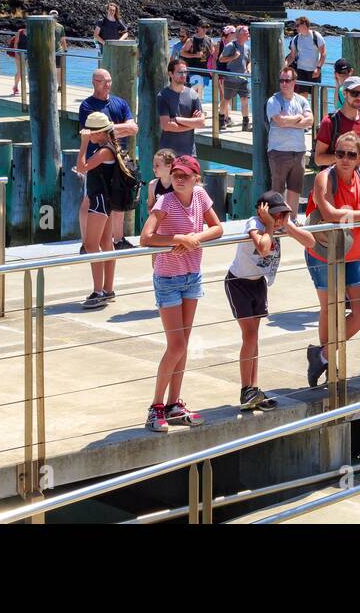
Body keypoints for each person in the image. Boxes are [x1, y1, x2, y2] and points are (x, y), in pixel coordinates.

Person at [140, 154, 222, 433]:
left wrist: (195, 238)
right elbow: (146, 238)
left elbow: (218, 227)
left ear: (196, 178)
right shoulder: (165, 201)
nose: (179, 178)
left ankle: (174, 403)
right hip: (167, 278)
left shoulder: (200, 196)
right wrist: (178, 238)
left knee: (184, 344)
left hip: (192, 276)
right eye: (176, 173)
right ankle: (156, 406)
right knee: (175, 345)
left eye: (185, 175)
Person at [303, 132, 360, 387]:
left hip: (357, 252)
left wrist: (351, 214)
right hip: (324, 252)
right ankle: (331, 370)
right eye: (340, 154)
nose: (345, 160)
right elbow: (328, 212)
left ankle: (323, 355)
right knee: (331, 308)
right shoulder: (324, 178)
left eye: (351, 154)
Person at [227, 192, 315, 410]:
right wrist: (268, 224)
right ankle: (246, 390)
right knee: (249, 335)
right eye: (275, 214)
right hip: (238, 283)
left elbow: (310, 242)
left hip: (258, 283)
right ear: (262, 210)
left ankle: (253, 390)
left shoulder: (279, 224)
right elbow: (263, 247)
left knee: (254, 337)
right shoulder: (254, 223)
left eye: (282, 214)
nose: (279, 219)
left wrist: (289, 226)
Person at [75, 112, 137, 309]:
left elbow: (81, 167)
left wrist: (84, 144)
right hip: (106, 200)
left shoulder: (104, 151)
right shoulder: (110, 147)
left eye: (90, 133)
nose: (88, 135)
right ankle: (108, 289)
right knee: (105, 244)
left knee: (91, 245)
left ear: (99, 133)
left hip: (100, 201)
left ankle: (98, 291)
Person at [78, 67, 139, 253]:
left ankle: (118, 239)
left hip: (119, 158)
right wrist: (116, 129)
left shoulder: (120, 103)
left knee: (117, 197)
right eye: (103, 81)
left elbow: (134, 128)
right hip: (96, 158)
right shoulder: (87, 105)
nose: (108, 85)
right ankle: (85, 241)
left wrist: (107, 129)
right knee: (89, 199)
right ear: (94, 83)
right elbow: (89, 132)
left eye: (109, 80)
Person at [266, 68, 313, 213]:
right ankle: (277, 220)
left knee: (295, 188)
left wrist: (290, 121)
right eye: (281, 81)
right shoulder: (273, 100)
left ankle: (291, 219)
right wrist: (299, 118)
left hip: (298, 151)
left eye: (287, 80)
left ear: (294, 82)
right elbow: (279, 121)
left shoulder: (302, 100)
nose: (284, 84)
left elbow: (310, 121)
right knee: (277, 190)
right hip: (279, 151)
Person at [158, 58, 206, 157]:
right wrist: (192, 123)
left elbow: (201, 123)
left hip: (189, 153)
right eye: (180, 72)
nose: (184, 75)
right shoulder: (163, 96)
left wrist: (177, 119)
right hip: (168, 155)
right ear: (170, 74)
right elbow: (166, 126)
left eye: (185, 72)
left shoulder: (193, 94)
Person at [217, 25, 251, 131]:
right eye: (246, 32)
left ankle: (245, 123)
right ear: (239, 34)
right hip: (230, 79)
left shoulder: (247, 48)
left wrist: (248, 69)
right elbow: (221, 59)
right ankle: (221, 120)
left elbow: (248, 61)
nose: (248, 34)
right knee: (226, 100)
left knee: (244, 100)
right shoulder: (231, 46)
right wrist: (234, 57)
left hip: (243, 79)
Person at [285, 16, 326, 98]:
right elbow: (292, 56)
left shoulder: (316, 36)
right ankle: (303, 111)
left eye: (297, 25)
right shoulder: (296, 39)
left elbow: (323, 53)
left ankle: (312, 111)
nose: (295, 27)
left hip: (314, 71)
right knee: (302, 97)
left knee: (314, 97)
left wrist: (318, 68)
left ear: (304, 24)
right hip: (301, 71)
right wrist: (284, 66)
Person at [181, 21, 212, 96]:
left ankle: (196, 106)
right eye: (203, 27)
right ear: (198, 27)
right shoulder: (191, 40)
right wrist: (195, 55)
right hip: (195, 70)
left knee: (199, 93)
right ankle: (194, 107)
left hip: (205, 70)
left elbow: (212, 52)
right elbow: (182, 53)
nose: (205, 29)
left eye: (206, 27)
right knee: (195, 92)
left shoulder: (209, 39)